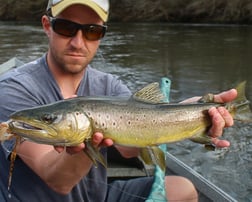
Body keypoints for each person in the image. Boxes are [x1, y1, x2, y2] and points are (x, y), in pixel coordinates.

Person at [0, 0, 237, 201]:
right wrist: (89, 140)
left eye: (92, 31)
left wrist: (190, 112)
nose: (78, 42)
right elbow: (58, 181)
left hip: (96, 196)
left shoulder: (109, 85)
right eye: (65, 27)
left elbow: (128, 149)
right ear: (46, 26)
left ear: (103, 34)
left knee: (182, 190)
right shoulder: (13, 89)